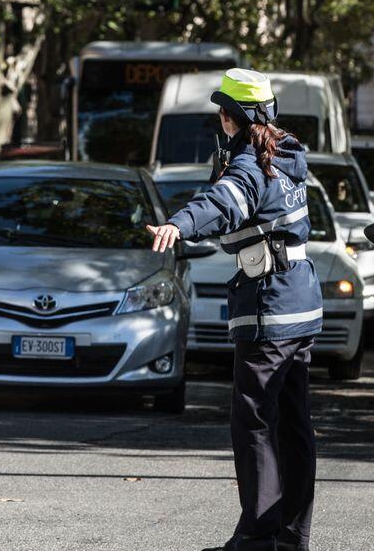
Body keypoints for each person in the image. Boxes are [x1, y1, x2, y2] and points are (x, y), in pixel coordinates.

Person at [147, 68, 322, 551]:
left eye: (222, 115)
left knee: (254, 421)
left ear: (233, 119)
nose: (218, 123)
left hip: (270, 306)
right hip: (300, 304)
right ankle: (291, 537)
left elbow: (224, 201)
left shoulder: (252, 165)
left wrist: (178, 224)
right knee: (292, 424)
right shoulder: (288, 157)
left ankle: (259, 537)